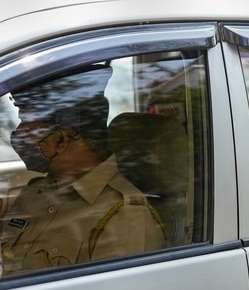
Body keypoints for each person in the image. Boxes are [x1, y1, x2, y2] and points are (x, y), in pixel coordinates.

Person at [0, 65, 164, 275]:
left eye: (28, 125)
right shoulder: (35, 192)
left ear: (63, 137)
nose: (18, 133)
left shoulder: (122, 217)